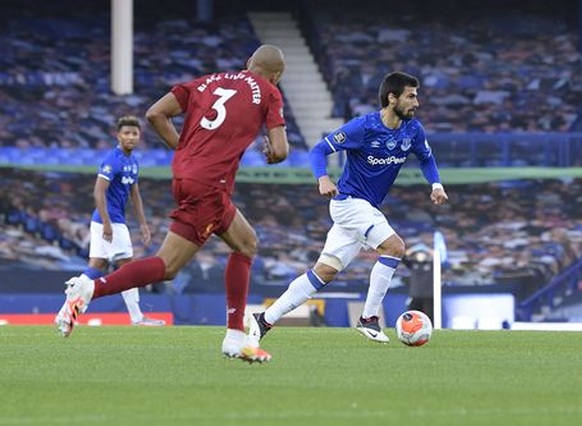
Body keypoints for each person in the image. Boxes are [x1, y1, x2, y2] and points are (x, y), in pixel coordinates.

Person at [54, 44, 289, 364]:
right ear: (276, 76)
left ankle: (235, 337)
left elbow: (154, 113)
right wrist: (273, 154)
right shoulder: (269, 92)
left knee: (246, 243)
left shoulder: (208, 81)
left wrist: (188, 151)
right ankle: (89, 290)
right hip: (208, 184)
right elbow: (281, 149)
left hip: (189, 177)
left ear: (248, 63)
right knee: (167, 266)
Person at [248, 71, 448, 347]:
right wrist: (323, 178)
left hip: (365, 208)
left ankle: (264, 319)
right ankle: (368, 319)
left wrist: (436, 184)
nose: (417, 102)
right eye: (411, 96)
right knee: (394, 248)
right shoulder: (362, 127)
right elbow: (318, 150)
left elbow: (427, 158)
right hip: (349, 203)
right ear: (392, 98)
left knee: (323, 273)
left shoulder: (413, 130)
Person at [54, 116, 165, 327]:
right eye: (126, 133)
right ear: (118, 135)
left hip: (110, 221)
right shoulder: (112, 159)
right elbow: (98, 191)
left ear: (139, 136)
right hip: (109, 221)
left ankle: (65, 314)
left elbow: (135, 194)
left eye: (134, 133)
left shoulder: (132, 162)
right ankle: (137, 318)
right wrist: (107, 222)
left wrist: (142, 223)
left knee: (97, 267)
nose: (131, 137)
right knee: (127, 269)